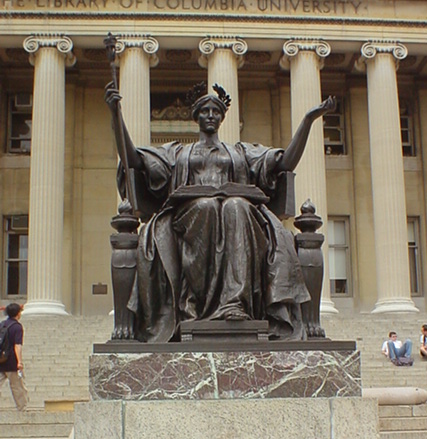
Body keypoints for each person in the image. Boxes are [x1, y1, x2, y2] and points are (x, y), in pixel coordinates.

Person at [105, 81, 336, 342]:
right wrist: (116, 115)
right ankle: (194, 305)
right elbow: (134, 160)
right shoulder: (178, 153)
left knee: (234, 206)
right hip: (189, 214)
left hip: (237, 214)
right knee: (206, 207)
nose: (211, 116)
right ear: (196, 117)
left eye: (216, 111)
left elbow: (284, 162)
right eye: (205, 111)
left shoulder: (240, 152)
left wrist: (307, 121)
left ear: (222, 117)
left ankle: (234, 303)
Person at [0, 303, 27, 410]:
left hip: (1, 360)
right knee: (17, 387)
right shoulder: (17, 327)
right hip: (12, 361)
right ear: (18, 313)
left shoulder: (2, 324)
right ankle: (22, 409)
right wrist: (19, 361)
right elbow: (17, 345)